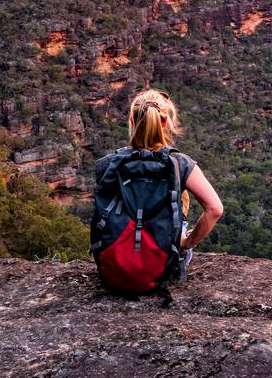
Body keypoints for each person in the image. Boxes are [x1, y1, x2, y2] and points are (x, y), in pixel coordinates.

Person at [91, 89, 223, 290]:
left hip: (112, 271)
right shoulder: (180, 164)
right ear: (164, 122)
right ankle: (176, 247)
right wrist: (186, 243)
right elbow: (215, 209)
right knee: (181, 191)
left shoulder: (106, 164)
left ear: (132, 121)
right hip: (159, 269)